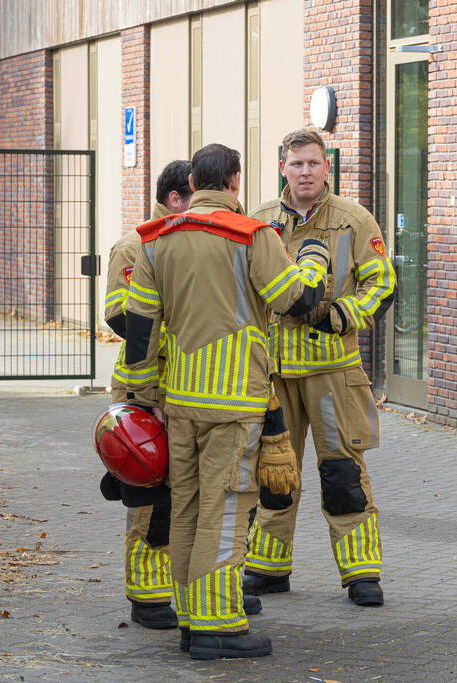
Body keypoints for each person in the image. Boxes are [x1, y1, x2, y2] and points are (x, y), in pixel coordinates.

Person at [122, 143, 329, 659]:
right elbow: (295, 300)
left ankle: (192, 618)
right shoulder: (252, 236)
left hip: (179, 401)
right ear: (234, 181)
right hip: (235, 401)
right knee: (231, 507)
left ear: (193, 182)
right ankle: (220, 625)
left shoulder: (155, 240)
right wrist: (313, 263)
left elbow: (139, 332)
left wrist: (144, 399)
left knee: (187, 507)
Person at [245, 128, 395, 607]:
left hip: (333, 371)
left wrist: (339, 314)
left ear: (327, 167)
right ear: (282, 167)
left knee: (343, 474)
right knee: (273, 474)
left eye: (313, 163)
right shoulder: (259, 220)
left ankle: (361, 575)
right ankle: (267, 569)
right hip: (274, 374)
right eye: (296, 164)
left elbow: (382, 285)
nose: (305, 172)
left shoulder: (355, 219)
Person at [99, 159, 192, 630]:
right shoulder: (136, 244)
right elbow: (120, 316)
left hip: (186, 387)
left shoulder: (188, 242)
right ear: (176, 199)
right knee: (148, 495)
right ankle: (148, 597)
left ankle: (189, 588)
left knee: (186, 493)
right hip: (143, 385)